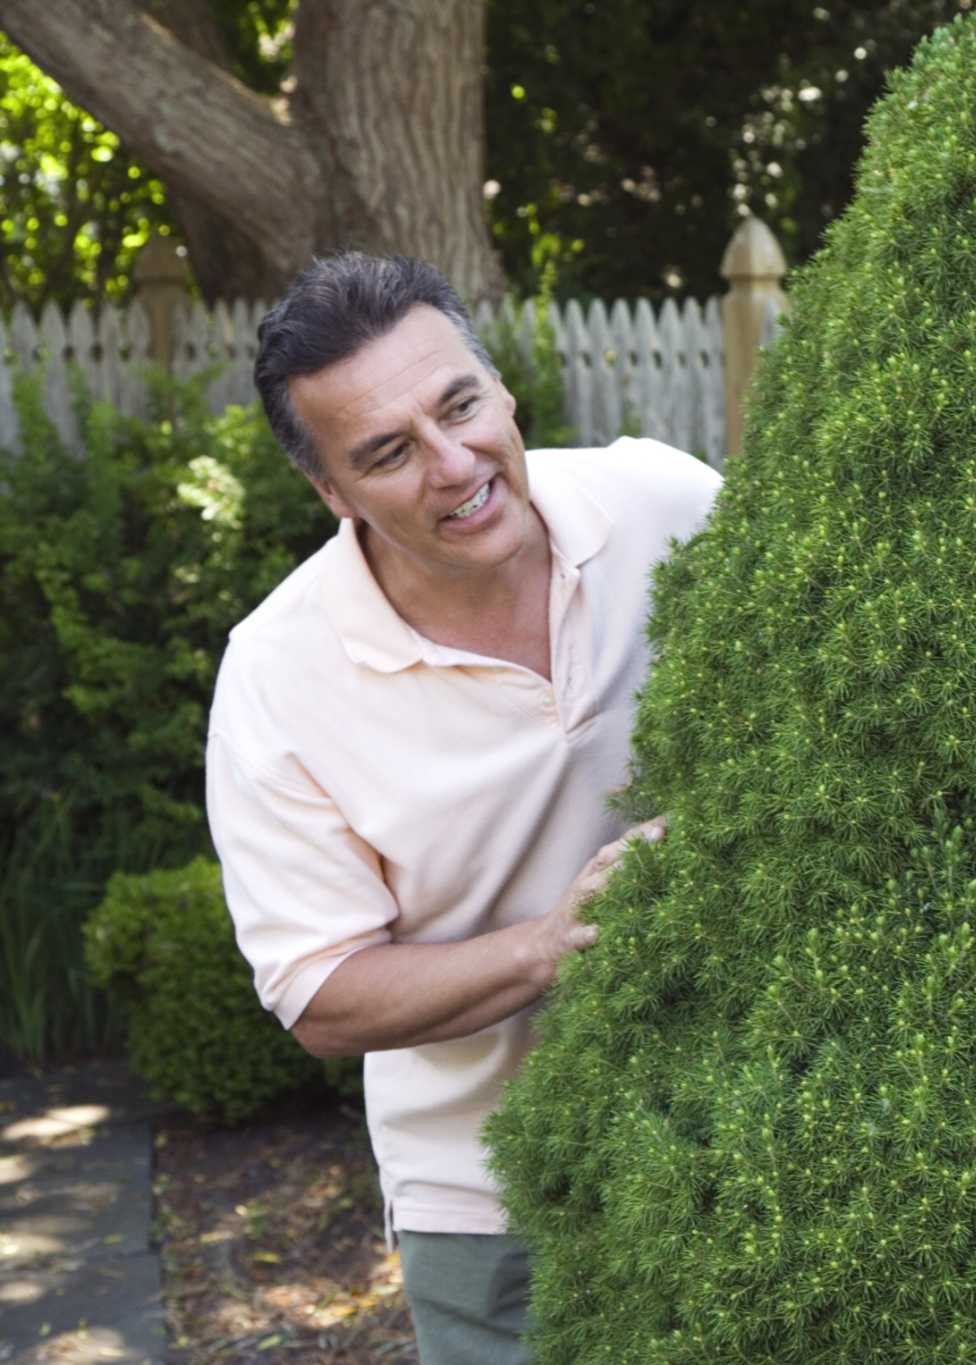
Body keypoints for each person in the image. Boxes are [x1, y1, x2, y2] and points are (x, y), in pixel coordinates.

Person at [205, 253, 721, 1363]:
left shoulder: (666, 506)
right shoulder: (277, 680)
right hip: (492, 1201)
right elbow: (320, 995)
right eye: (389, 453)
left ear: (503, 391)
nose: (454, 466)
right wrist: (549, 945)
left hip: (754, 1114)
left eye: (460, 404)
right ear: (332, 494)